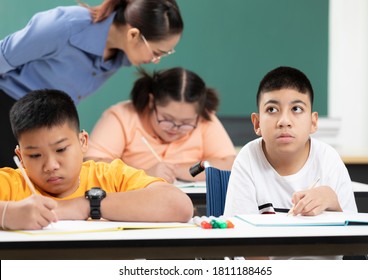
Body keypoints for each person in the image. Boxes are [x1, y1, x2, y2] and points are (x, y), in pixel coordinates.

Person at [0, 0, 183, 167]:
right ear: (134, 34)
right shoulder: (64, 26)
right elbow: (3, 56)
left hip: (48, 122)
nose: (156, 60)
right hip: (8, 108)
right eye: (157, 52)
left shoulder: (122, 53)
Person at [0, 89, 193, 230]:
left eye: (61, 149)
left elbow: (179, 205)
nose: (51, 165)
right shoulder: (11, 184)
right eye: (34, 155)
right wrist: (6, 213)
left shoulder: (109, 176)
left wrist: (84, 206)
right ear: (20, 157)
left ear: (83, 142)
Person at [223, 66, 357, 259]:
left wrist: (332, 203)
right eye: (272, 109)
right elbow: (241, 241)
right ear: (257, 123)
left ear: (313, 122)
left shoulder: (329, 159)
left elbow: (353, 242)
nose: (284, 121)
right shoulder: (248, 158)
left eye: (296, 109)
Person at [84, 67, 236, 183]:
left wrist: (181, 171)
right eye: (167, 119)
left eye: (186, 123)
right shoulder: (122, 116)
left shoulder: (205, 119)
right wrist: (143, 173)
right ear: (152, 102)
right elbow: (93, 164)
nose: (175, 129)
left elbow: (228, 164)